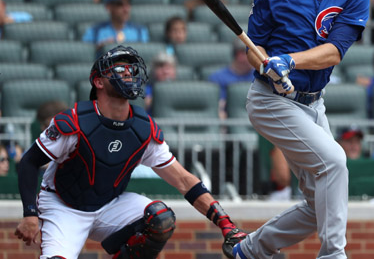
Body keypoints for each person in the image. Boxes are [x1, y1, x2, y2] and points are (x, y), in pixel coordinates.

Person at [13, 45, 246, 258]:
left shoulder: (144, 129)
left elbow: (184, 181)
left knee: (160, 218)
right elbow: (29, 162)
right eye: (119, 68)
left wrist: (227, 225)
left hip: (109, 205)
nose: (128, 73)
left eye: (131, 69)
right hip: (63, 205)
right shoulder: (74, 121)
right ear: (99, 82)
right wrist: (30, 214)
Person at [233, 0, 370, 259]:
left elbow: (334, 52)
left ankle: (251, 250)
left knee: (318, 204)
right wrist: (265, 63)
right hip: (270, 100)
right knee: (335, 162)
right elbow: (255, 49)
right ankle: (333, 255)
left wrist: (289, 61)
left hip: (312, 102)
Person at [82, 0, 149, 52]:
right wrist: (100, 48)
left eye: (128, 3)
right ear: (109, 7)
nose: (126, 9)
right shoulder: (95, 31)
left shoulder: (140, 31)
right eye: (120, 4)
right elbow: (86, 54)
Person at [208, 40, 254, 120]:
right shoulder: (217, 78)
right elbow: (220, 106)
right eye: (252, 54)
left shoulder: (260, 76)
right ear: (240, 55)